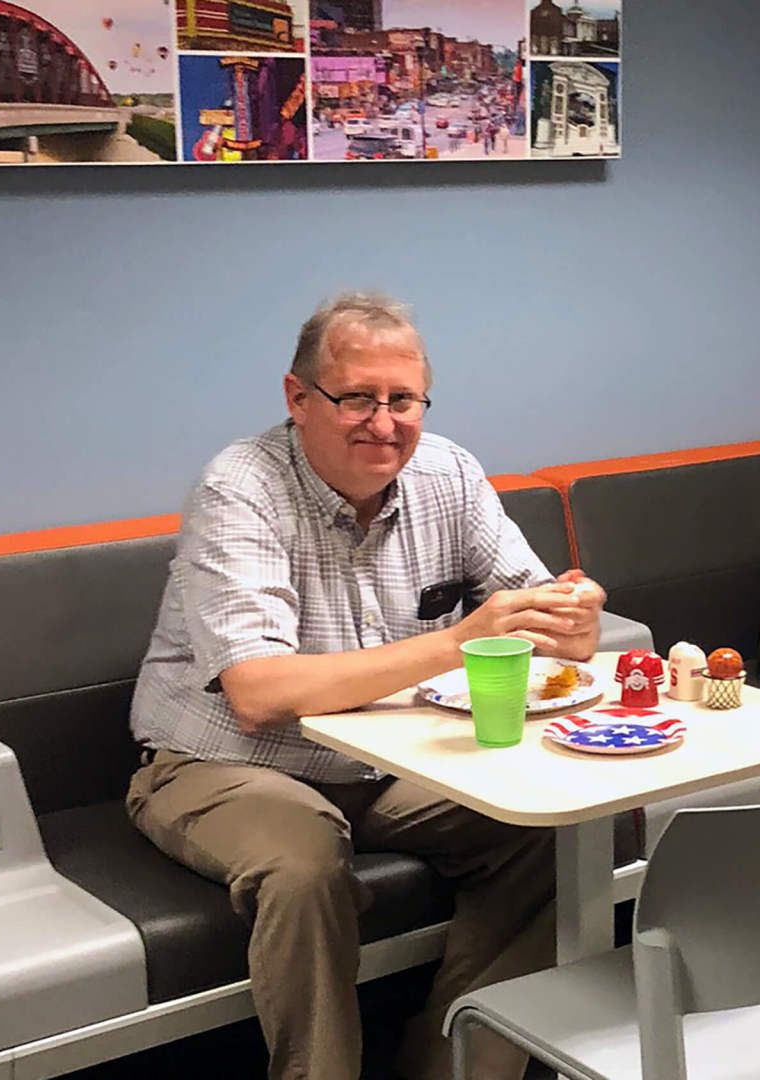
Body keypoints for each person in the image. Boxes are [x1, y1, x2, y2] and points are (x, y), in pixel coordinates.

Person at [128, 292, 605, 1080]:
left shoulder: (447, 472)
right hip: (226, 763)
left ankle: (458, 1066)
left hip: (391, 761)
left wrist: (573, 615)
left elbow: (546, 614)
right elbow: (257, 690)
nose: (384, 425)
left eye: (402, 400)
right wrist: (457, 642)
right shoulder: (238, 491)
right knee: (304, 863)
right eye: (356, 399)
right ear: (297, 398)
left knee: (548, 828)